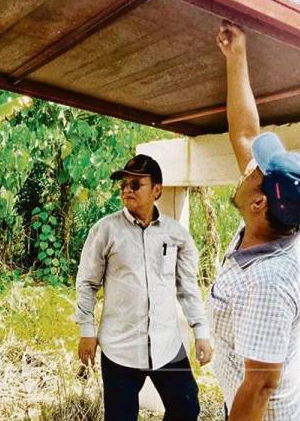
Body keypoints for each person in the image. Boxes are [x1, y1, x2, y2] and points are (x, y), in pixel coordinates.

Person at [210, 21, 300, 421]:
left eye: (255, 171)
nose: (246, 166)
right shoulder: (281, 215)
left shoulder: (268, 285)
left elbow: (259, 388)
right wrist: (237, 55)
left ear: (258, 202)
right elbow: (246, 135)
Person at [75, 154, 212, 421]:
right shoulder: (105, 231)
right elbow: (87, 283)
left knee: (187, 408)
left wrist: (201, 331)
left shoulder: (175, 234)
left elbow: (187, 286)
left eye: (136, 184)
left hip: (167, 346)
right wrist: (87, 330)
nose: (127, 189)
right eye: (123, 184)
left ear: (156, 190)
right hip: (120, 348)